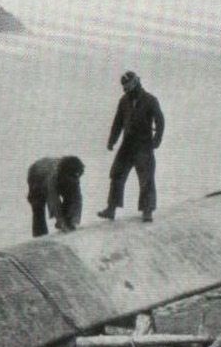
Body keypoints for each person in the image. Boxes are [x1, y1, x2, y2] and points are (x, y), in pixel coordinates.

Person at [98, 70, 165, 222]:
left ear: (136, 83)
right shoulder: (124, 101)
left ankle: (147, 211)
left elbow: (160, 121)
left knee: (146, 178)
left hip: (144, 146)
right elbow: (118, 123)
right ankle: (111, 209)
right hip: (127, 145)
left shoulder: (150, 100)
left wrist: (157, 139)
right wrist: (112, 140)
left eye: (128, 86)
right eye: (124, 87)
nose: (126, 89)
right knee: (116, 174)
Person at [26, 155, 85, 237]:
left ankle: (68, 221)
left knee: (70, 194)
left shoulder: (73, 173)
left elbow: (77, 198)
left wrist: (75, 219)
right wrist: (60, 220)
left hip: (57, 174)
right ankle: (40, 236)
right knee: (38, 207)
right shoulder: (52, 177)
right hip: (36, 176)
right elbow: (53, 200)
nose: (75, 179)